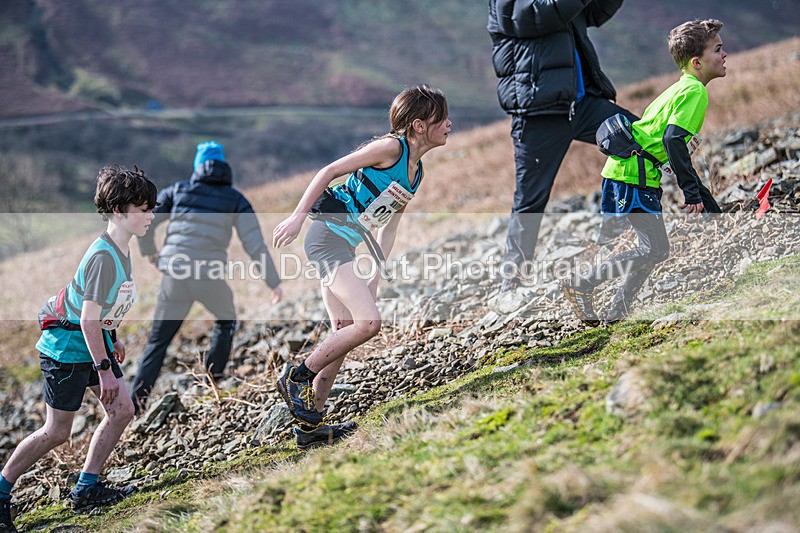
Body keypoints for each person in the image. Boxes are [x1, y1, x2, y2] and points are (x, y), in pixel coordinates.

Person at [272, 85, 451, 450]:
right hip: (325, 239)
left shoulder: (415, 173)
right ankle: (298, 376)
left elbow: (390, 227)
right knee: (368, 324)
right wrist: (297, 216)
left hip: (345, 246)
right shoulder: (390, 148)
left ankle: (311, 427)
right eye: (442, 118)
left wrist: (374, 278)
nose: (450, 123)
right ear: (418, 125)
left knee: (343, 330)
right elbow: (330, 170)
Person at [0, 166, 156, 531]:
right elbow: (87, 320)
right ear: (118, 210)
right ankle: (2, 488)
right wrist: (105, 372)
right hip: (68, 349)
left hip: (92, 343)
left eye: (151, 207)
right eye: (143, 207)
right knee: (57, 431)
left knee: (121, 410)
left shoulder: (120, 247)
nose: (151, 215)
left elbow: (102, 311)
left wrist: (113, 337)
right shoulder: (104, 256)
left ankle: (86, 488)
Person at [561, 18, 726, 325]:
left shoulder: (680, 88)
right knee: (655, 248)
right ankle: (582, 284)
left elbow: (672, 149)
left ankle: (616, 314)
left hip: (629, 174)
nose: (725, 54)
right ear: (697, 61)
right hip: (631, 176)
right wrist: (691, 194)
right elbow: (673, 140)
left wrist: (710, 205)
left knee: (651, 248)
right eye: (718, 49)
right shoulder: (695, 93)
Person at [487, 0, 638, 290]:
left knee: (639, 139)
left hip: (582, 104)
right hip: (538, 114)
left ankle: (659, 228)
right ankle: (512, 285)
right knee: (530, 202)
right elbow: (533, 16)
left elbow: (592, 13)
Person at [130, 141, 283, 414]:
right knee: (226, 322)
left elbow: (148, 219)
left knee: (158, 342)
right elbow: (254, 244)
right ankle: (213, 381)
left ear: (197, 166)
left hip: (175, 275)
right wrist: (273, 281)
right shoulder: (235, 199)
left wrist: (150, 254)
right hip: (208, 276)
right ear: (224, 166)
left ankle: (135, 405)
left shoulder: (178, 190)